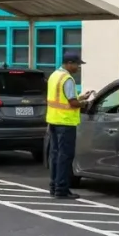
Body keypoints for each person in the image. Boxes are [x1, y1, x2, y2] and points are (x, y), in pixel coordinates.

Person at [46, 51, 93, 199]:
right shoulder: (67, 79)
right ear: (69, 64)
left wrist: (80, 97)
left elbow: (63, 99)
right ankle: (62, 189)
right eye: (77, 64)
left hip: (53, 121)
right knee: (65, 157)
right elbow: (72, 103)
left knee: (55, 156)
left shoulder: (54, 76)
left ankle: (54, 186)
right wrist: (85, 103)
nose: (78, 68)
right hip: (65, 123)